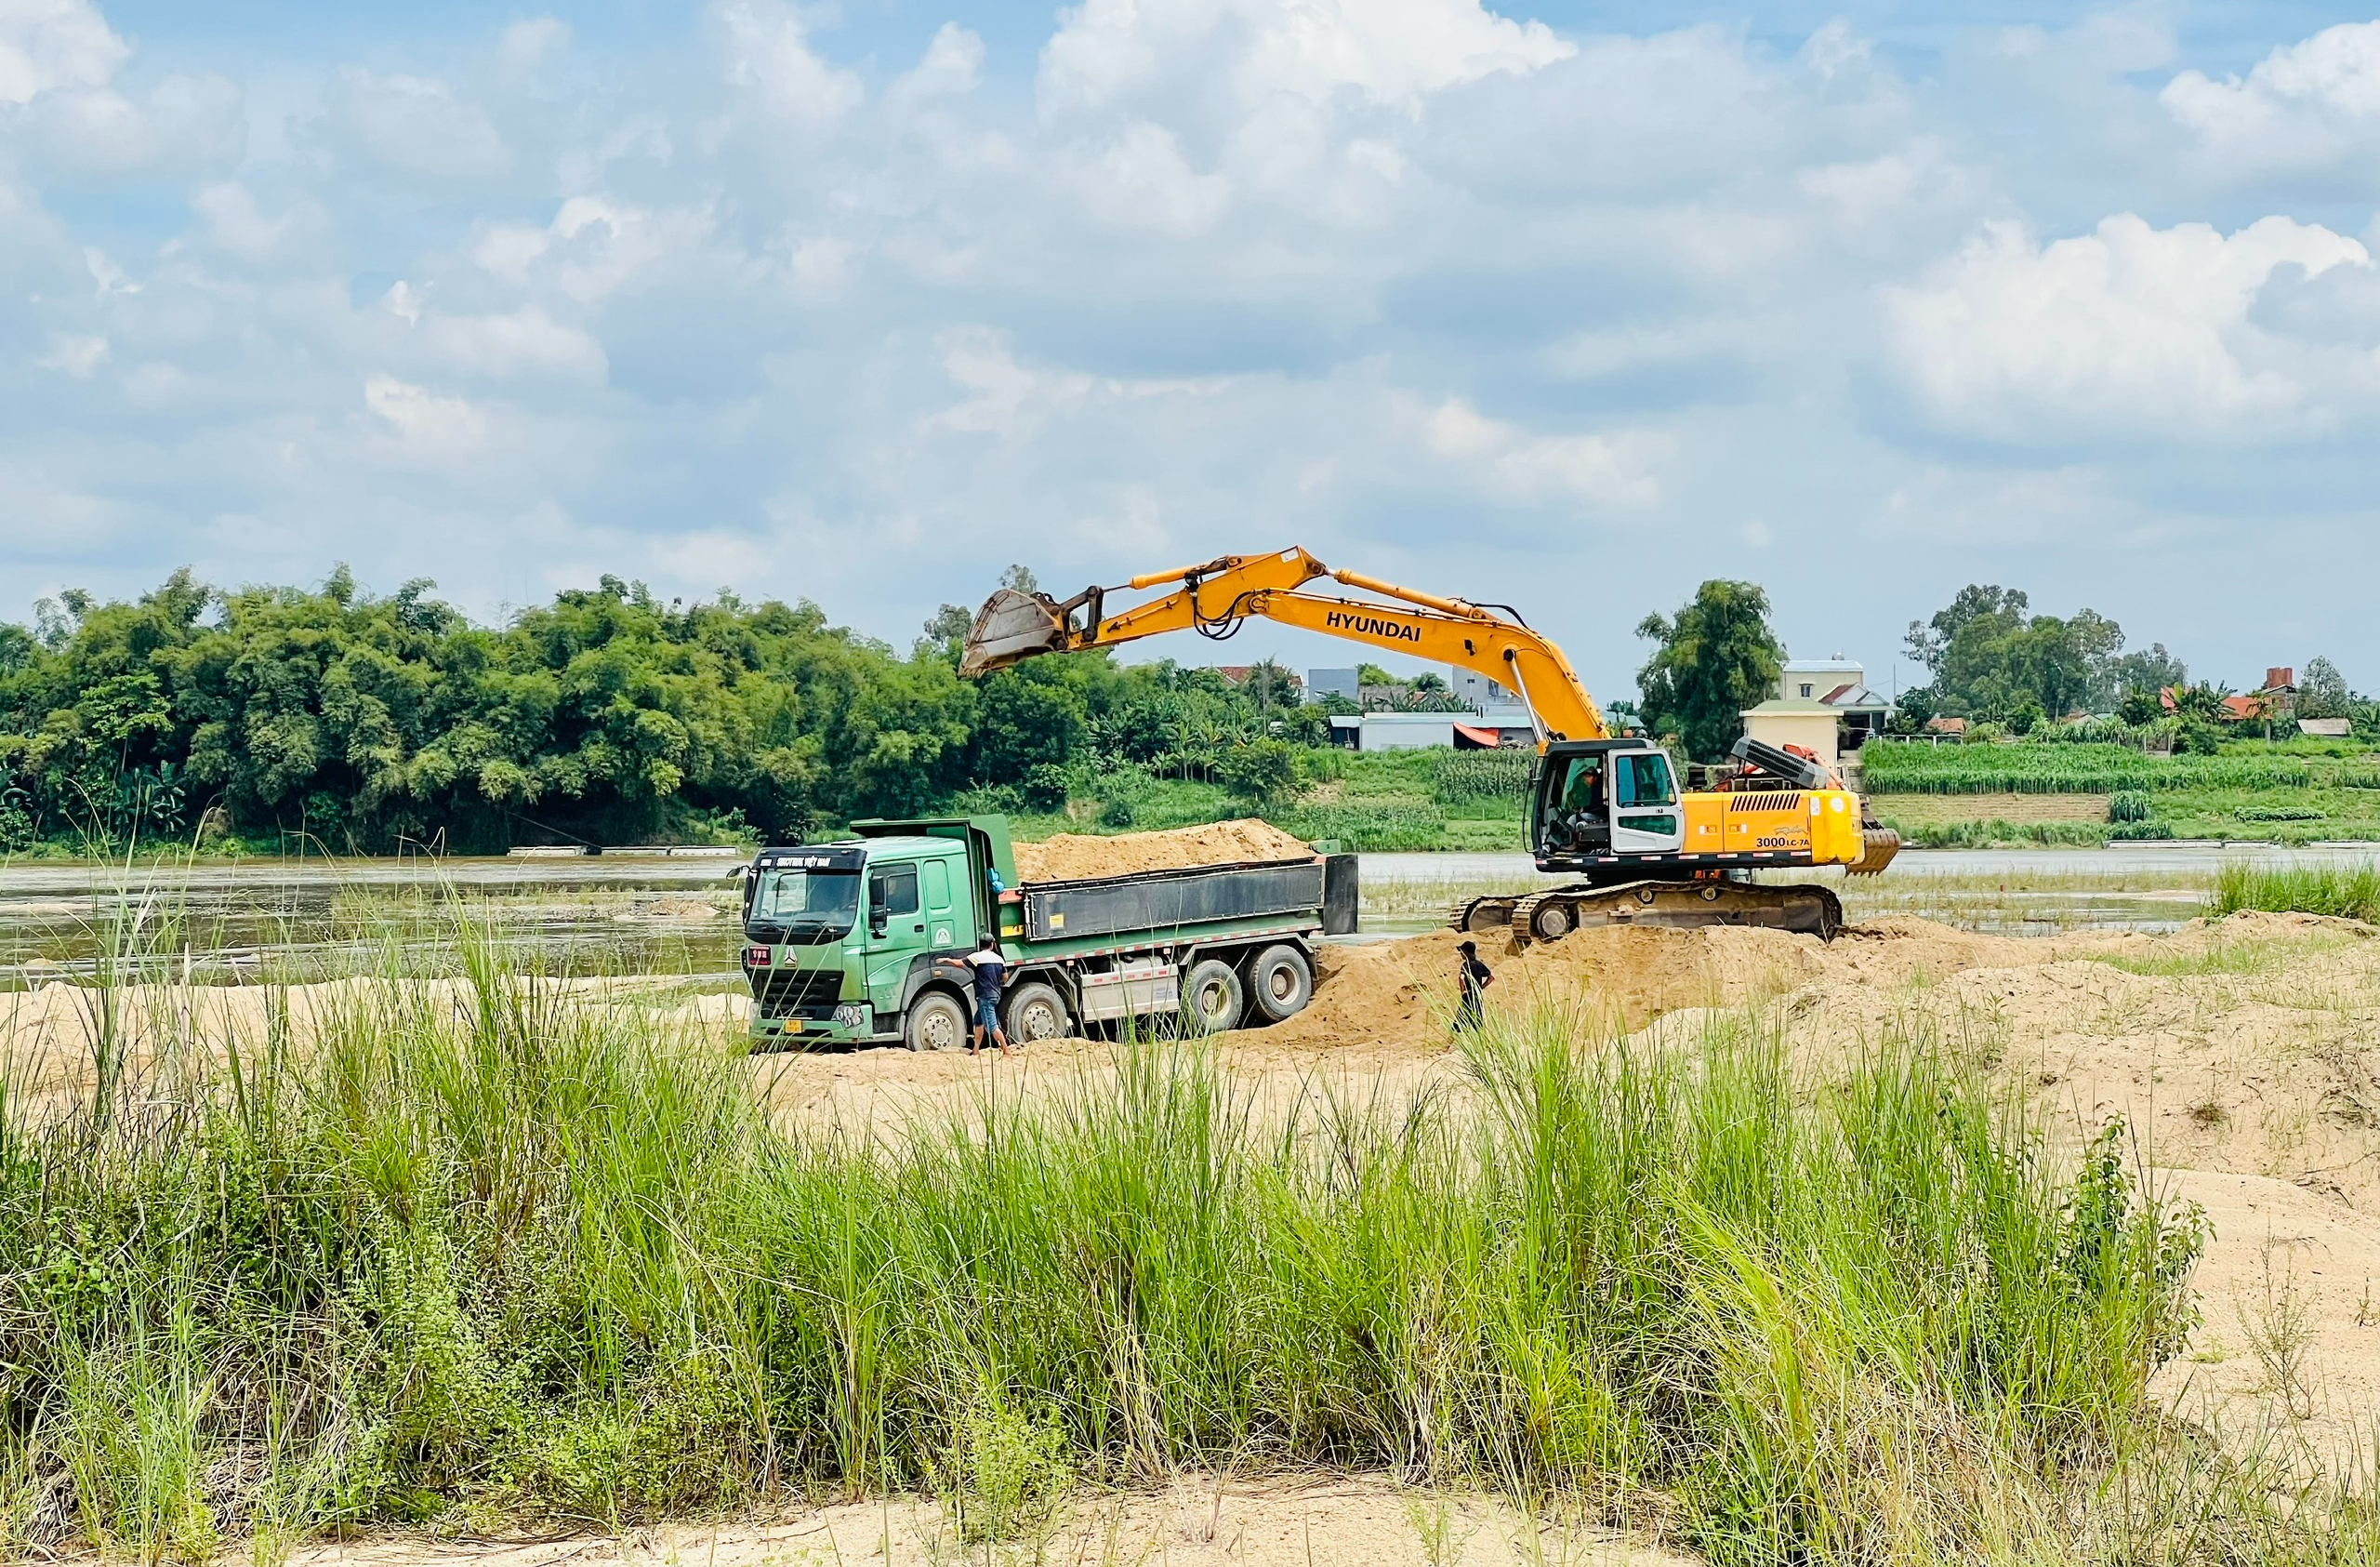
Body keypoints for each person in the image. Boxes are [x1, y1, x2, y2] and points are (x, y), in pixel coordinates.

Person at [965, 933, 1014, 1056]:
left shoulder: (977, 957)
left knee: (992, 1026)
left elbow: (959, 963)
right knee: (978, 1021)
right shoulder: (999, 959)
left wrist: (948, 960)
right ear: (992, 944)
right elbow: (1005, 977)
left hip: (985, 997)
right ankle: (976, 1050)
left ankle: (1006, 1050)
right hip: (995, 994)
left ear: (980, 944)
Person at [1455, 939, 1494, 1031]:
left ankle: (1456, 1035)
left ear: (1466, 953)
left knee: (1462, 1017)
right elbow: (1491, 978)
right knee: (1477, 1019)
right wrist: (1482, 987)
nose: (1461, 954)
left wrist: (1463, 991)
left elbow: (1461, 978)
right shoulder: (1479, 964)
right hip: (1478, 994)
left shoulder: (1466, 965)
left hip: (1468, 994)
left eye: (1462, 952)